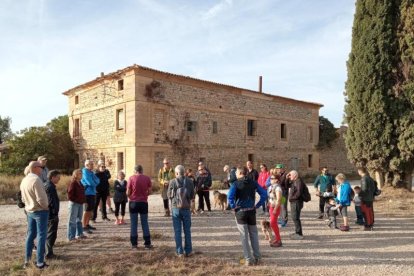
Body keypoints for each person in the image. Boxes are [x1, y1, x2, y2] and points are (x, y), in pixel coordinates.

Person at [228, 166, 267, 266]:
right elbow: (264, 194)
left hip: (240, 212)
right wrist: (258, 205)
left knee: (244, 236)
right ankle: (258, 257)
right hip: (251, 212)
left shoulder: (235, 184)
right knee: (254, 235)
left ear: (240, 173)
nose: (235, 174)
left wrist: (234, 207)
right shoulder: (253, 182)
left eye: (236, 172)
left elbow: (230, 197)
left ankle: (248, 259)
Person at [20, 161, 49, 269]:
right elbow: (41, 198)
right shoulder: (36, 180)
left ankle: (27, 261)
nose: (42, 169)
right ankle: (40, 263)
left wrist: (28, 206)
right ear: (36, 168)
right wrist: (46, 207)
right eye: (41, 167)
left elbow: (23, 198)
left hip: (29, 210)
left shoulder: (24, 180)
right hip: (40, 211)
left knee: (30, 235)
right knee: (42, 236)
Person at [167, 165, 195, 257]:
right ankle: (189, 251)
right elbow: (192, 196)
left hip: (176, 208)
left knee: (177, 231)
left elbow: (169, 196)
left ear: (177, 173)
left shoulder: (172, 182)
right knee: (187, 230)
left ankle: (179, 252)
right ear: (184, 172)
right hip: (186, 208)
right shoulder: (190, 182)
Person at [127, 165, 153, 249]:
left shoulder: (131, 178)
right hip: (143, 202)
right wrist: (145, 195)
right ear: (142, 170)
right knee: (144, 223)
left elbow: (128, 192)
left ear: (135, 171)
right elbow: (150, 191)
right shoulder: (147, 178)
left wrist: (130, 197)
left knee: (134, 223)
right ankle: (147, 244)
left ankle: (134, 244)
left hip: (133, 203)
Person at [44, 170, 61, 259]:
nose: (59, 179)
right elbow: (51, 201)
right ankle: (48, 254)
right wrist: (54, 213)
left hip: (50, 213)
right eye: (58, 177)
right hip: (51, 214)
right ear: (53, 177)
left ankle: (48, 252)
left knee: (50, 234)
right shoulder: (49, 186)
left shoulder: (49, 185)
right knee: (51, 234)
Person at [67, 169, 86, 241]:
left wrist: (83, 200)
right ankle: (71, 236)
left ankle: (79, 234)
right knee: (72, 220)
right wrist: (77, 200)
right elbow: (70, 195)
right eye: (79, 173)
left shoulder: (80, 183)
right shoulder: (73, 183)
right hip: (74, 203)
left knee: (79, 219)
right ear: (75, 175)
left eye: (81, 173)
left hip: (80, 203)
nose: (81, 175)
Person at [81, 160, 100, 234]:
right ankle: (83, 226)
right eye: (91, 164)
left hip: (92, 192)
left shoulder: (91, 172)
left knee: (91, 209)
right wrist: (94, 182)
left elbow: (98, 180)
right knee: (87, 210)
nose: (93, 165)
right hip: (87, 193)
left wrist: (94, 182)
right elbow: (90, 182)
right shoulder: (85, 172)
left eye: (92, 164)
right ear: (87, 165)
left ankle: (87, 224)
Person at [288, 170, 305, 240]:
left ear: (295, 175)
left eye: (290, 175)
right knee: (294, 217)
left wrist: (291, 198)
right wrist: (286, 178)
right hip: (295, 202)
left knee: (295, 218)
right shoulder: (295, 181)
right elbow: (286, 184)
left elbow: (298, 193)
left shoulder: (298, 182)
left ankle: (299, 234)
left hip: (296, 202)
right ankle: (297, 232)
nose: (289, 176)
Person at [268, 174, 283, 247]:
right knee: (274, 223)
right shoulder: (271, 187)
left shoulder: (278, 188)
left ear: (276, 180)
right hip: (271, 206)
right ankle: (277, 239)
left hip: (275, 207)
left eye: (272, 178)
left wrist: (276, 208)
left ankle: (279, 240)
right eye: (270, 178)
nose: (270, 179)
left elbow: (279, 199)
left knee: (273, 223)